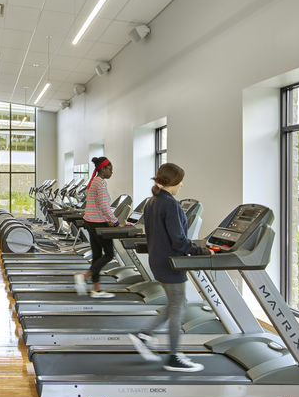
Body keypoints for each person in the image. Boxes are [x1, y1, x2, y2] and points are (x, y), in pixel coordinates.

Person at [127, 163, 211, 372]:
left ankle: (144, 334)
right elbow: (179, 241)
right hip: (171, 262)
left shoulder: (152, 202)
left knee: (176, 303)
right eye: (181, 180)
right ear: (174, 182)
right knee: (178, 307)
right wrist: (204, 252)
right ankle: (174, 357)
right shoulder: (171, 204)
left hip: (158, 260)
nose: (182, 184)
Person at [74, 156, 119, 298]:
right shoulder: (101, 183)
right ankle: (84, 276)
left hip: (90, 221)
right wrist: (115, 222)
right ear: (103, 169)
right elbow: (104, 206)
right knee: (109, 254)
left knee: (97, 255)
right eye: (110, 170)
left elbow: (99, 206)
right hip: (98, 223)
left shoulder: (94, 181)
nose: (112, 172)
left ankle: (96, 289)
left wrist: (109, 219)